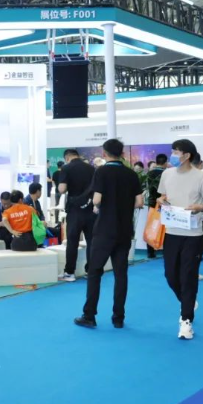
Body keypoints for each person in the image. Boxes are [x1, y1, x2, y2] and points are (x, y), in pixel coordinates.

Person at [75, 139, 143, 329]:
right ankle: (118, 317)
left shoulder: (101, 172)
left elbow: (97, 199)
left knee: (95, 272)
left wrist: (99, 206)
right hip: (124, 230)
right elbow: (139, 202)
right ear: (122, 153)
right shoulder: (131, 174)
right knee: (121, 274)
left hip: (104, 229)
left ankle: (89, 315)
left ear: (104, 153)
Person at [157, 139, 203, 340]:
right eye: (173, 151)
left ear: (187, 155)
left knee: (188, 276)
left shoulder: (200, 176)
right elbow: (162, 196)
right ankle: (188, 301)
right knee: (170, 275)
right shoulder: (166, 174)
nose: (173, 155)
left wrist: (202, 207)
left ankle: (186, 320)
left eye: (176, 152)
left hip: (193, 234)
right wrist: (160, 200)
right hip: (172, 231)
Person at [58, 149, 96, 282]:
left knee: (72, 241)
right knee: (91, 241)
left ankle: (69, 273)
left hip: (75, 210)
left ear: (67, 158)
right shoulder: (91, 168)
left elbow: (62, 189)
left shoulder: (66, 168)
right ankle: (91, 271)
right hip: (90, 208)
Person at [145, 154, 168, 259]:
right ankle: (165, 250)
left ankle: (150, 252)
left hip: (152, 204)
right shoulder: (166, 173)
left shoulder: (149, 173)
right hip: (164, 203)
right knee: (165, 228)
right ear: (165, 162)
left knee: (152, 226)